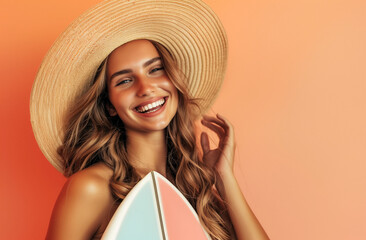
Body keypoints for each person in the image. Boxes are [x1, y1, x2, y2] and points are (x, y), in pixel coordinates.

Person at [30, 1, 269, 239]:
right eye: (124, 81)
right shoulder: (90, 188)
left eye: (155, 70)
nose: (146, 88)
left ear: (174, 80)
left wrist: (224, 179)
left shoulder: (197, 189)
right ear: (109, 105)